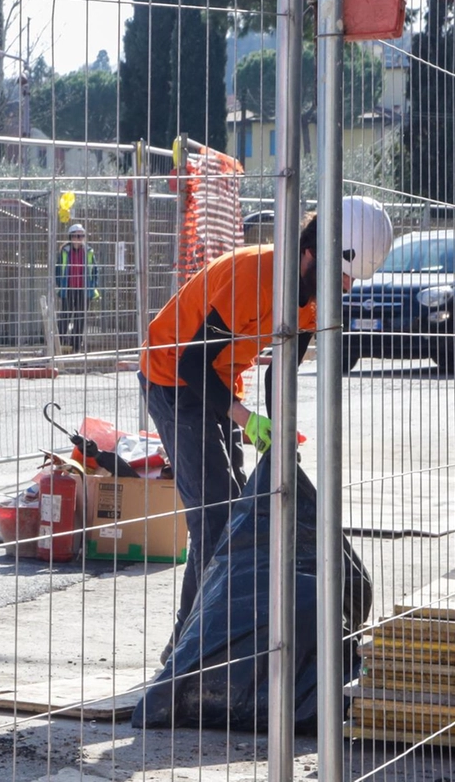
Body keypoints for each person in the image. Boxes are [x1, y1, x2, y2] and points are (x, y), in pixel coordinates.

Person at [138, 196, 394, 652]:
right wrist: (246, 418)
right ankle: (187, 648)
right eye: (344, 277)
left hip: (218, 380)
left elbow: (281, 369)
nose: (348, 290)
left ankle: (208, 637)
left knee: (237, 513)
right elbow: (192, 363)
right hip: (171, 376)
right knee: (215, 519)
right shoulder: (256, 277)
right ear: (313, 254)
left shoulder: (314, 297)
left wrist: (277, 429)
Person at [55, 223, 101, 352]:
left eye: (81, 236)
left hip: (84, 290)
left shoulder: (89, 252)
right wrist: (60, 284)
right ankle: (59, 344)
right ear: (71, 237)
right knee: (65, 316)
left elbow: (95, 270)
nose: (79, 238)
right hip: (68, 289)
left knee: (80, 318)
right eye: (76, 236)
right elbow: (58, 269)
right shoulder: (65, 251)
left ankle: (76, 346)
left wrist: (94, 285)